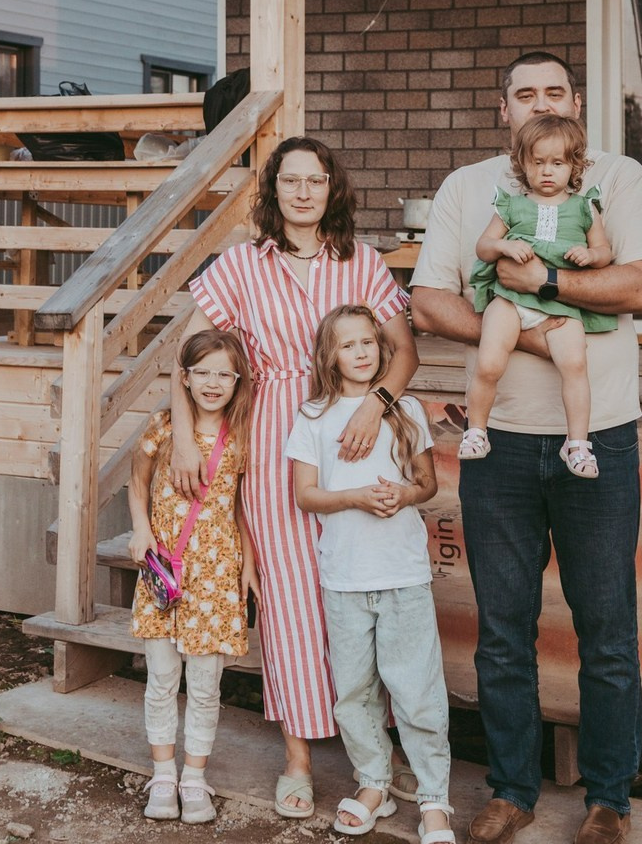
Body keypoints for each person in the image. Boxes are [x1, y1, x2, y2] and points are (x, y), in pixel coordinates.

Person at [410, 52, 642, 844]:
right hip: (495, 447)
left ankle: (608, 800)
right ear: (504, 110)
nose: (538, 104)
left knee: (604, 625)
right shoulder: (470, 188)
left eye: (552, 92)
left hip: (595, 439)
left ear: (576, 102)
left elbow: (639, 289)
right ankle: (512, 789)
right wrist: (535, 338)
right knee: (503, 628)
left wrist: (545, 290)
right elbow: (429, 300)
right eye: (523, 94)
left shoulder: (618, 178)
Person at [165, 136, 419, 818]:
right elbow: (185, 354)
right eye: (291, 181)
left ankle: (378, 754)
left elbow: (403, 351)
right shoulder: (241, 266)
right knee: (290, 600)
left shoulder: (362, 263)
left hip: (357, 436)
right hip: (274, 436)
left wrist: (377, 403)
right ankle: (299, 760)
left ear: (334, 190)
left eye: (317, 180)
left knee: (365, 589)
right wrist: (187, 435)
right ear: (273, 192)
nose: (304, 192)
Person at [287, 304, 454, 844]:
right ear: (329, 356)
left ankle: (433, 797)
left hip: (403, 573)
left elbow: (427, 484)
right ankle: (374, 782)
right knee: (354, 690)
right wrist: (356, 497)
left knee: (415, 689)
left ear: (383, 350)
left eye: (368, 342)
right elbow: (305, 494)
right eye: (348, 345)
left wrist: (405, 493)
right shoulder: (313, 416)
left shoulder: (405, 408)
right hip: (345, 578)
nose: (361, 352)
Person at [126, 329, 259, 824]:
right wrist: (140, 529)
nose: (212, 382)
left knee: (205, 686)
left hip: (216, 577)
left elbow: (243, 508)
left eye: (224, 373)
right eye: (202, 372)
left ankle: (195, 777)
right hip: (165, 571)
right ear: (184, 378)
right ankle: (163, 775)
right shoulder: (163, 427)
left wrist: (248, 562)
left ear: (237, 380)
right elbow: (136, 480)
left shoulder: (243, 436)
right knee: (162, 679)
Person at [464, 112, 615, 478]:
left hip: (560, 306)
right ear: (522, 165)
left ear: (574, 165)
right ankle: (476, 430)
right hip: (511, 302)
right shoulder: (512, 206)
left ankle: (577, 444)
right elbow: (483, 247)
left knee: (575, 366)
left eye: (558, 163)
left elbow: (604, 251)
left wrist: (590, 255)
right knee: (489, 362)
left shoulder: (584, 207)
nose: (547, 171)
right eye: (538, 162)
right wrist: (504, 245)